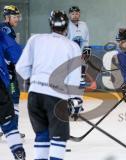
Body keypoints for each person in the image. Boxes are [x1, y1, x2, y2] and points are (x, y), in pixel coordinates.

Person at [16, 10, 84, 160]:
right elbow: (74, 78)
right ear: (66, 27)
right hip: (56, 97)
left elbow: (20, 67)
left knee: (42, 135)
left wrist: (34, 80)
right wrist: (75, 99)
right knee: (59, 138)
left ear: (50, 24)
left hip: (34, 96)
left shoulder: (35, 39)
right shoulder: (72, 46)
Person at [0, 5, 25, 138]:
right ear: (7, 17)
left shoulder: (5, 29)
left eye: (17, 16)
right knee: (14, 98)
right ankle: (12, 129)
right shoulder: (6, 30)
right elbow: (10, 53)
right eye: (15, 17)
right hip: (7, 73)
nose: (17, 19)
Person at [0, 30, 25, 159]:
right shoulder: (3, 35)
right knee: (8, 122)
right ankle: (18, 151)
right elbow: (19, 56)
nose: (16, 19)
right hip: (2, 84)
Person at [67, 6, 89, 87]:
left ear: (79, 14)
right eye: (73, 14)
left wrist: (86, 50)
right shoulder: (67, 25)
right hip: (70, 50)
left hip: (81, 49)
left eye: (77, 13)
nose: (75, 15)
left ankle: (82, 78)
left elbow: (86, 39)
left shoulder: (84, 25)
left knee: (84, 61)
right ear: (69, 15)